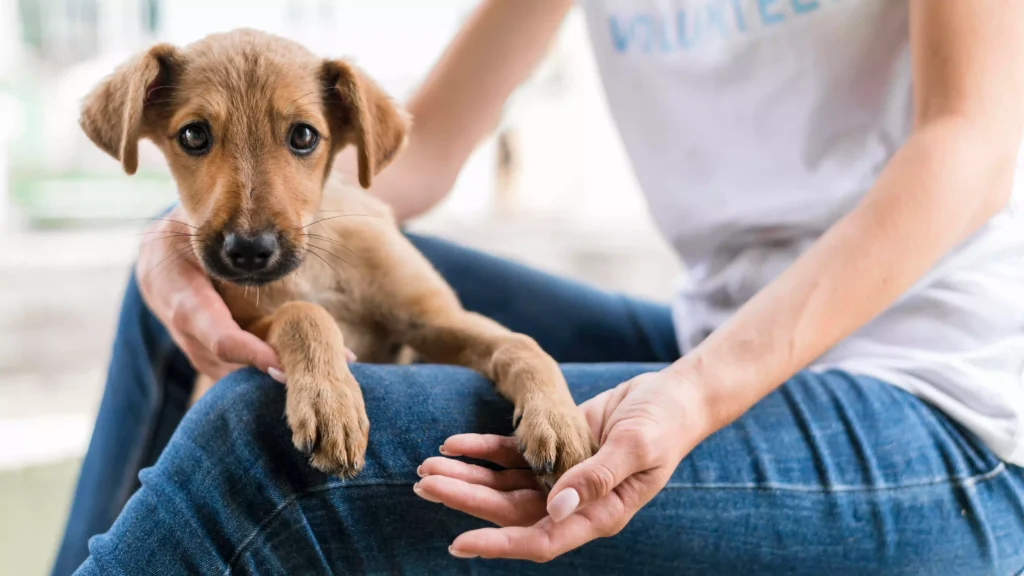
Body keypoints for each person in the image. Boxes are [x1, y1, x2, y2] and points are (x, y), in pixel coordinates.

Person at [53, 1, 1024, 574]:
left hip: (943, 398)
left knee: (260, 439)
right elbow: (415, 154)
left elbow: (969, 148)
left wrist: (693, 394)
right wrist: (180, 239)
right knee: (175, 295)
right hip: (710, 330)